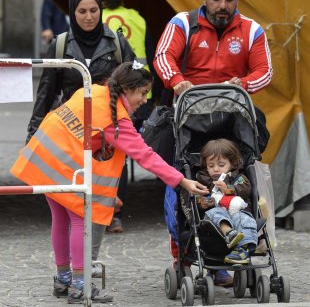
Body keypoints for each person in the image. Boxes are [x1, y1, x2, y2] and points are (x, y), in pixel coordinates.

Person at [12, 62, 209, 303]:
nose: (145, 100)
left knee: (61, 220)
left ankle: (63, 279)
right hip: (64, 167)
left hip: (43, 160)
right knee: (80, 221)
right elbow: (145, 156)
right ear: (126, 89)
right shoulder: (116, 120)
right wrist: (182, 181)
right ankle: (79, 285)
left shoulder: (92, 90)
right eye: (143, 93)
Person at [153, 0, 273, 287]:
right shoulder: (183, 23)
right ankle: (186, 251)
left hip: (231, 119)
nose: (222, 5)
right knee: (182, 184)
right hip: (189, 118)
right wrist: (178, 83)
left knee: (238, 180)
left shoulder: (251, 30)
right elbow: (163, 57)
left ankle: (245, 238)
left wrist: (242, 83)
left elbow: (265, 72)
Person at [27, 0, 137, 279]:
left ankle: (83, 269)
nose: (88, 17)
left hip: (105, 136)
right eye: (81, 11)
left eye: (93, 10)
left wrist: (130, 130)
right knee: (67, 212)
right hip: (67, 133)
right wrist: (33, 134)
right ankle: (71, 277)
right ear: (72, 12)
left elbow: (131, 85)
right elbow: (45, 94)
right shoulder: (61, 44)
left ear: (101, 10)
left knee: (96, 209)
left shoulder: (116, 42)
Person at [91, 0, 154, 234]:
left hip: (111, 96)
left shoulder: (97, 19)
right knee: (123, 156)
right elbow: (148, 52)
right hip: (139, 95)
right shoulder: (137, 18)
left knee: (101, 155)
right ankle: (117, 214)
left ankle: (101, 210)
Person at [196, 139, 257, 264]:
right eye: (211, 166)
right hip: (216, 219)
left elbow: (246, 190)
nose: (216, 169)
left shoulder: (238, 177)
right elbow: (196, 197)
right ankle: (229, 233)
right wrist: (202, 203)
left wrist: (229, 189)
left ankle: (243, 249)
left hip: (238, 212)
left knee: (245, 219)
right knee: (214, 212)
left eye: (221, 165)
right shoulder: (203, 179)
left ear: (232, 164)